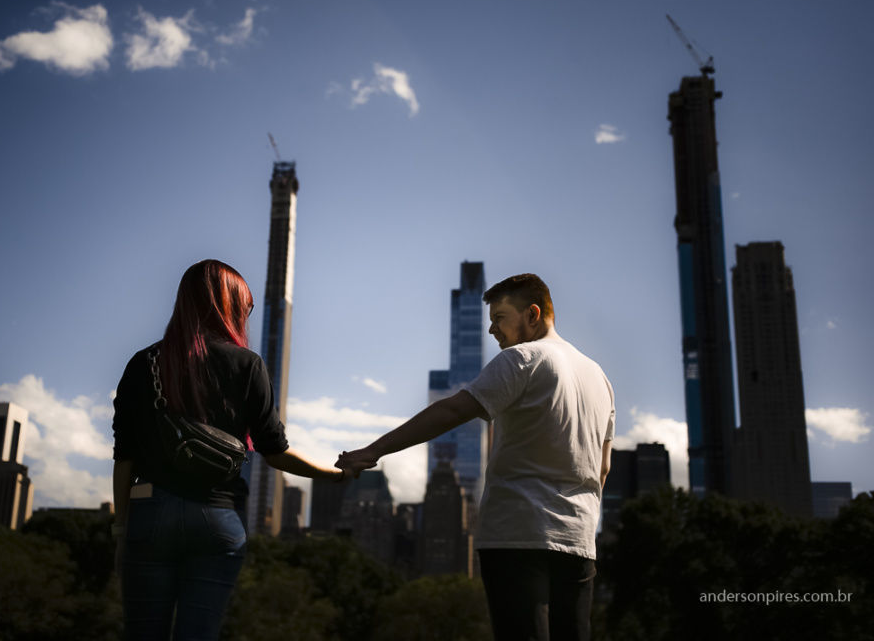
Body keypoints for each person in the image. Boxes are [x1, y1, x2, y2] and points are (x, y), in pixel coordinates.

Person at [338, 273, 614, 641]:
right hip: (579, 540)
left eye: (499, 318)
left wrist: (372, 451)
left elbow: (451, 412)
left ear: (532, 314)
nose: (491, 330)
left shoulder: (523, 358)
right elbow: (603, 467)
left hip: (519, 535)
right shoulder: (599, 377)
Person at [112, 259, 344, 641]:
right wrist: (334, 473)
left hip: (150, 513)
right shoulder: (247, 364)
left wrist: (121, 529)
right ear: (229, 307)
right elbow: (275, 451)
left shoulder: (143, 364)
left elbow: (125, 457)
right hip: (217, 518)